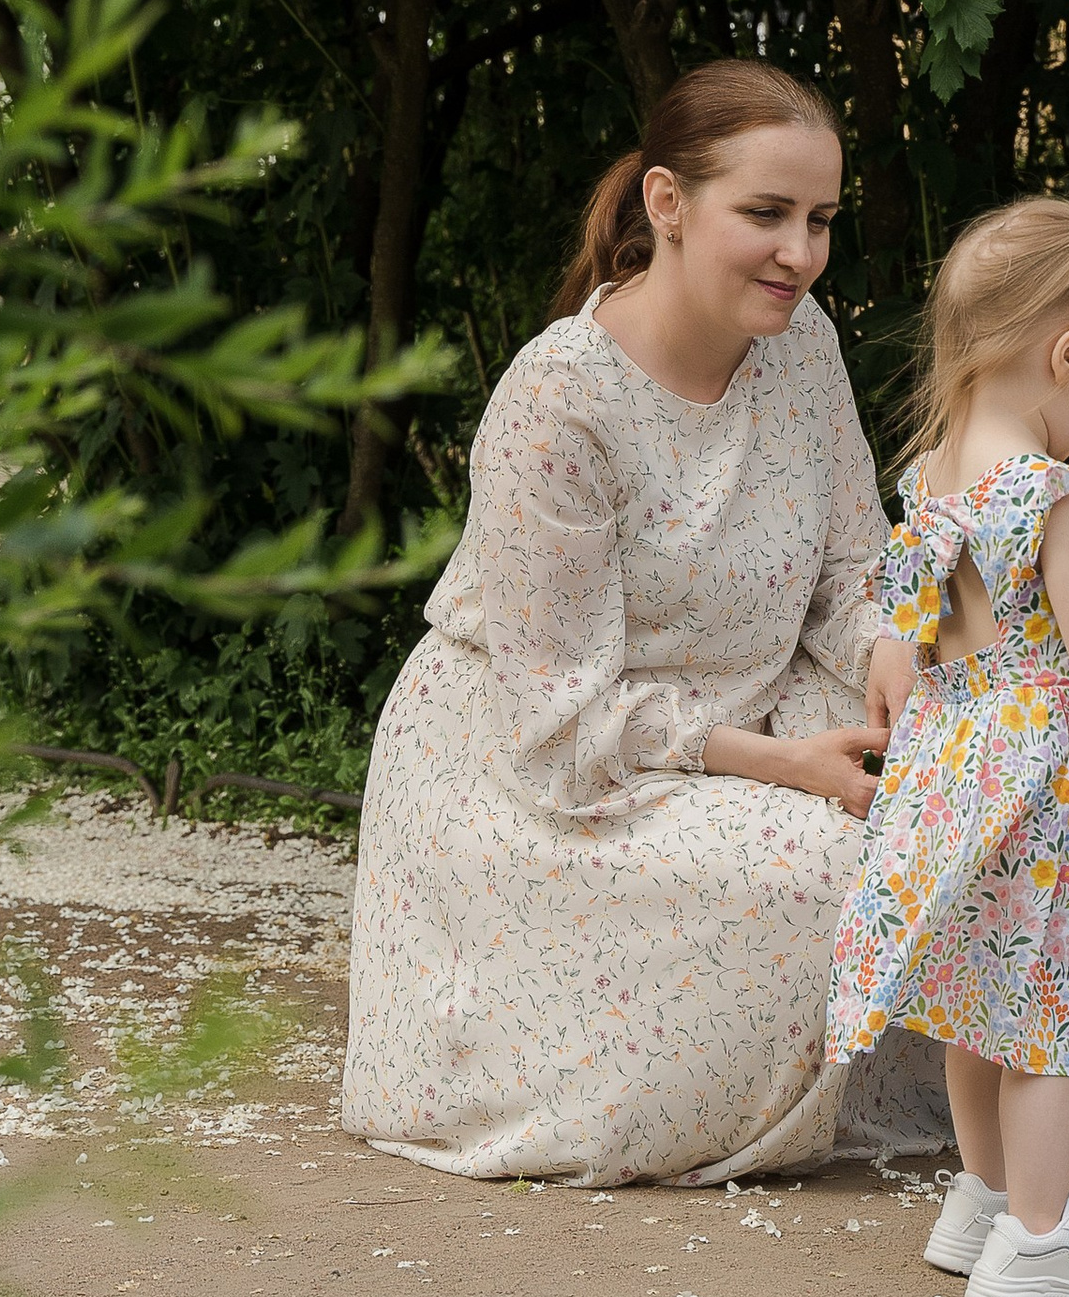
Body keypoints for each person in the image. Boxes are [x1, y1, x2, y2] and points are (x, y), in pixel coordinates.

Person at [342, 60, 947, 1186]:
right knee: (826, 868)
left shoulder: (801, 344)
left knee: (967, 774)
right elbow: (559, 714)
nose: (800, 254)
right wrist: (784, 768)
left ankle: (1000, 1094)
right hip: (549, 770)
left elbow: (856, 563)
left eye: (819, 220)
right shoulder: (558, 402)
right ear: (667, 204)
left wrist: (894, 651)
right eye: (764, 215)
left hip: (748, 709)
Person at [828, 187, 1069, 1297]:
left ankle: (981, 1204)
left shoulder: (940, 469)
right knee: (1047, 1011)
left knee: (973, 995)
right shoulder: (1060, 492)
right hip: (1044, 784)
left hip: (960, 769)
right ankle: (1042, 1247)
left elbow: (951, 619)